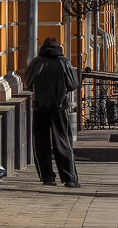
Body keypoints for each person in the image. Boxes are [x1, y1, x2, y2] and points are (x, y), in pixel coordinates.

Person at [23, 38, 81, 187]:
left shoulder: (36, 63)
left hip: (39, 108)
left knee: (41, 143)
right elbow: (73, 84)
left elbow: (28, 84)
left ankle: (48, 177)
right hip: (59, 107)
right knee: (63, 141)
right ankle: (69, 179)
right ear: (58, 47)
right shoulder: (64, 62)